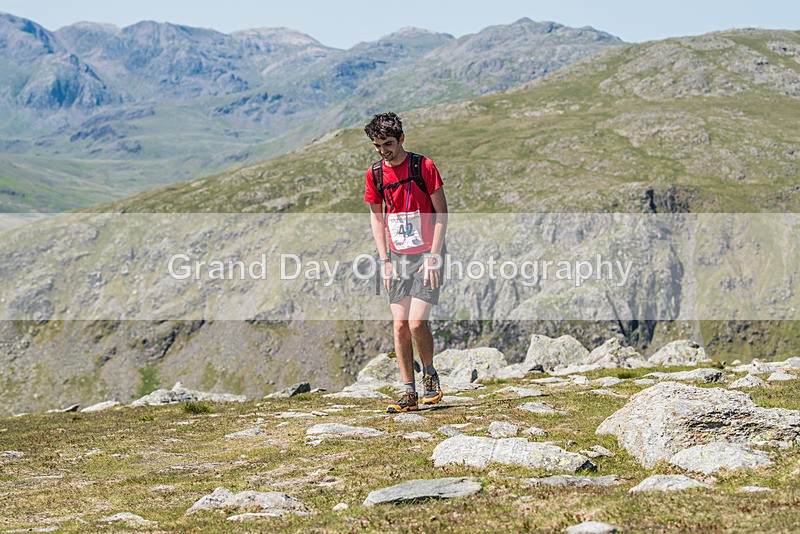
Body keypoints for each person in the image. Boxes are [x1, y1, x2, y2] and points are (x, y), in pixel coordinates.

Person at [363, 112, 448, 413]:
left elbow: (441, 213)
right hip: (396, 256)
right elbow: (376, 216)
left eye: (388, 143)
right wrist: (384, 260)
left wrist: (434, 257)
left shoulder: (423, 166)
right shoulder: (374, 174)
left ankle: (430, 376)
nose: (384, 150)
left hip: (427, 254)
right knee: (399, 325)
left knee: (416, 322)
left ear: (401, 138)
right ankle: (408, 391)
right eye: (377, 146)